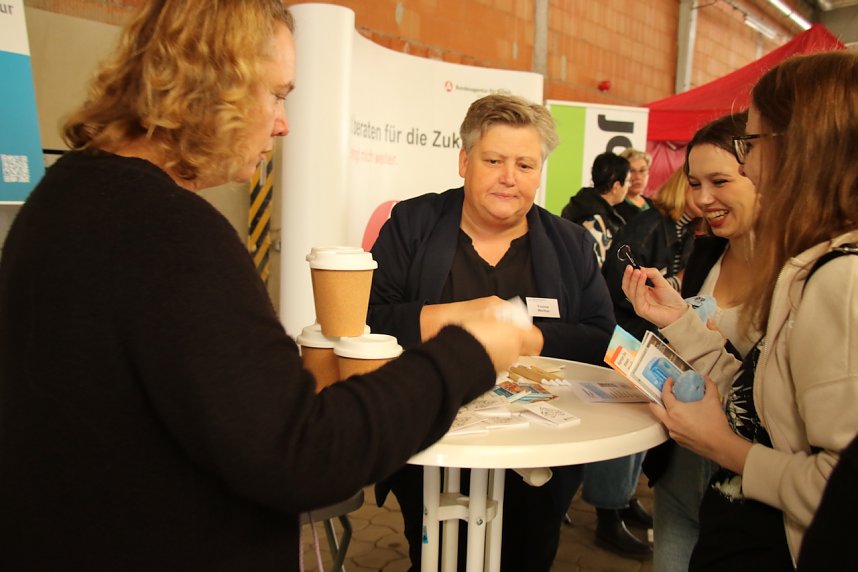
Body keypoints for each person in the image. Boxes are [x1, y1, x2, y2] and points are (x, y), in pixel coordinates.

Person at [0, 3, 529, 570]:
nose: (283, 122)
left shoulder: (59, 198)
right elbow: (305, 453)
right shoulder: (173, 234)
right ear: (212, 86)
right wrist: (468, 354)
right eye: (277, 94)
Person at [622, 51, 858, 569]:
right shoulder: (809, 264)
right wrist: (679, 322)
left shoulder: (839, 279)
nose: (746, 162)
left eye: (751, 145)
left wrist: (725, 448)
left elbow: (839, 491)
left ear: (804, 147)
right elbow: (765, 403)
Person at [367, 93, 616, 571]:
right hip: (431, 438)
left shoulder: (570, 244)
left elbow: (600, 338)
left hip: (539, 452)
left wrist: (526, 338)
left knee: (528, 556)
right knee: (437, 558)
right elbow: (372, 319)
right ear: (464, 161)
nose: (509, 177)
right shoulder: (413, 224)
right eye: (494, 160)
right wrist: (469, 316)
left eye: (525, 164)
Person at [633, 112, 759, 572]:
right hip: (681, 470)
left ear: (764, 171)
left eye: (720, 181)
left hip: (749, 485)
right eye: (694, 183)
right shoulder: (706, 252)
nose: (703, 199)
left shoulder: (803, 275)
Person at [603, 167, 702, 340]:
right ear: (681, 186)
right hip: (627, 334)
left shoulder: (687, 229)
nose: (706, 197)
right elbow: (621, 288)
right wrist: (678, 281)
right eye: (697, 186)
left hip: (652, 332)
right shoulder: (647, 228)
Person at [560, 151, 630, 265]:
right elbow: (595, 271)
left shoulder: (581, 205)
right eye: (628, 181)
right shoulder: (595, 220)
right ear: (616, 186)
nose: (629, 185)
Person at [615, 147, 654, 222]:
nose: (638, 177)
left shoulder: (654, 205)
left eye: (642, 170)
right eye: (632, 171)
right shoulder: (616, 207)